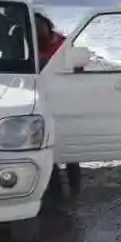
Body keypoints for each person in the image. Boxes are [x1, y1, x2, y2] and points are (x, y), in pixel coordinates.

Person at [33, 12, 81, 199]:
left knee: (69, 146)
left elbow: (79, 66)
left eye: (39, 27)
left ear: (48, 26)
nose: (37, 32)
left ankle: (75, 186)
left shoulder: (64, 44)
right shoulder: (29, 46)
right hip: (41, 101)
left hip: (65, 99)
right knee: (47, 146)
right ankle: (55, 191)